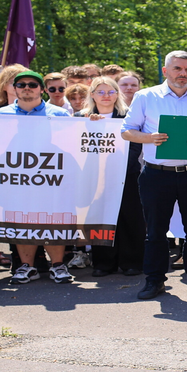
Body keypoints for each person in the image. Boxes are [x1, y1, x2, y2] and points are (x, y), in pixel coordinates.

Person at [121, 51, 187, 300]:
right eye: (177, 68)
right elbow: (127, 132)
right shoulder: (146, 96)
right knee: (155, 231)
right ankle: (154, 281)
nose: (183, 74)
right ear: (165, 71)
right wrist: (149, 138)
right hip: (156, 174)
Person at [0, 70, 75, 284]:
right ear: (14, 89)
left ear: (41, 89)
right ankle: (27, 267)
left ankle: (57, 265)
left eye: (32, 84)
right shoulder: (1, 115)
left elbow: (72, 145)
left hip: (51, 177)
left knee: (53, 220)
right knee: (22, 220)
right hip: (17, 178)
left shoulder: (59, 114)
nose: (27, 88)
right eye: (21, 85)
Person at [81, 77, 144, 277]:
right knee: (101, 219)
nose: (106, 96)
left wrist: (119, 167)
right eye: (100, 92)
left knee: (131, 218)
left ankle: (132, 262)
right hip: (94, 179)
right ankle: (103, 263)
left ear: (118, 94)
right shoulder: (80, 117)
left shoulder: (129, 116)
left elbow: (136, 145)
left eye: (111, 91)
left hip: (128, 175)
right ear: (92, 95)